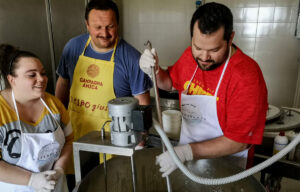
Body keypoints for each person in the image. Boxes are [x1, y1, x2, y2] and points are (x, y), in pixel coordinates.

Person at [140, 2, 268, 177]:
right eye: (198, 47)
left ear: (230, 39)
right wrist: (154, 72)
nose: (204, 57)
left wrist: (186, 152)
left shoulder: (246, 76)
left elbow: (239, 142)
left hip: (228, 171)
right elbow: (169, 83)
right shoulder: (190, 57)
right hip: (187, 163)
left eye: (214, 50)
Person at [55, 0, 152, 141]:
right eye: (98, 27)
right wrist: (57, 120)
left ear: (117, 24)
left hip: (114, 140)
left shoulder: (132, 58)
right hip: (73, 137)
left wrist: (141, 138)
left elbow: (142, 102)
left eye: (110, 26)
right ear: (87, 25)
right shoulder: (73, 47)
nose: (104, 33)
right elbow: (63, 83)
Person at [0, 44, 73, 192]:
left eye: (43, 73)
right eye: (32, 75)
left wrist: (59, 169)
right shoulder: (2, 111)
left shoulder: (54, 104)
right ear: (12, 79)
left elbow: (69, 141)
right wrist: (31, 179)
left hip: (55, 187)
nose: (41, 79)